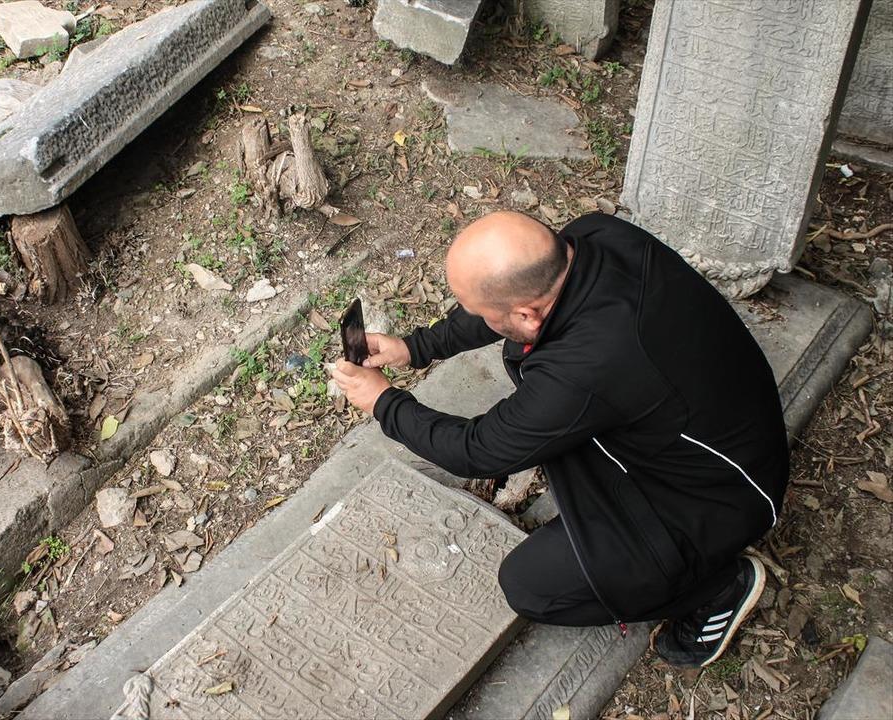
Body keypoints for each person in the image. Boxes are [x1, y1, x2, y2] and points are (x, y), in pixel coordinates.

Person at [330, 211, 788, 668]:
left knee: (532, 586)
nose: (475, 317)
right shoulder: (594, 237)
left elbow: (477, 450)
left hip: (717, 496)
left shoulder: (585, 368)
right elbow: (506, 303)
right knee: (532, 378)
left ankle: (716, 590)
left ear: (527, 314)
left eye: (479, 313)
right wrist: (416, 347)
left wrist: (383, 403)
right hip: (714, 422)